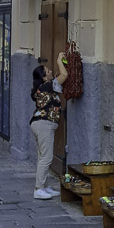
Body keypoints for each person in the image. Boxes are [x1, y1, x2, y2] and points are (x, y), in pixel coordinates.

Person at [31, 53, 68, 199]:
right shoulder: (47, 86)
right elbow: (64, 75)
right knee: (46, 158)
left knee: (43, 157)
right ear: (44, 77)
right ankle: (39, 189)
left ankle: (44, 186)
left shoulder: (45, 87)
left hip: (40, 124)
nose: (51, 71)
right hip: (44, 124)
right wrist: (59, 61)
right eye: (48, 71)